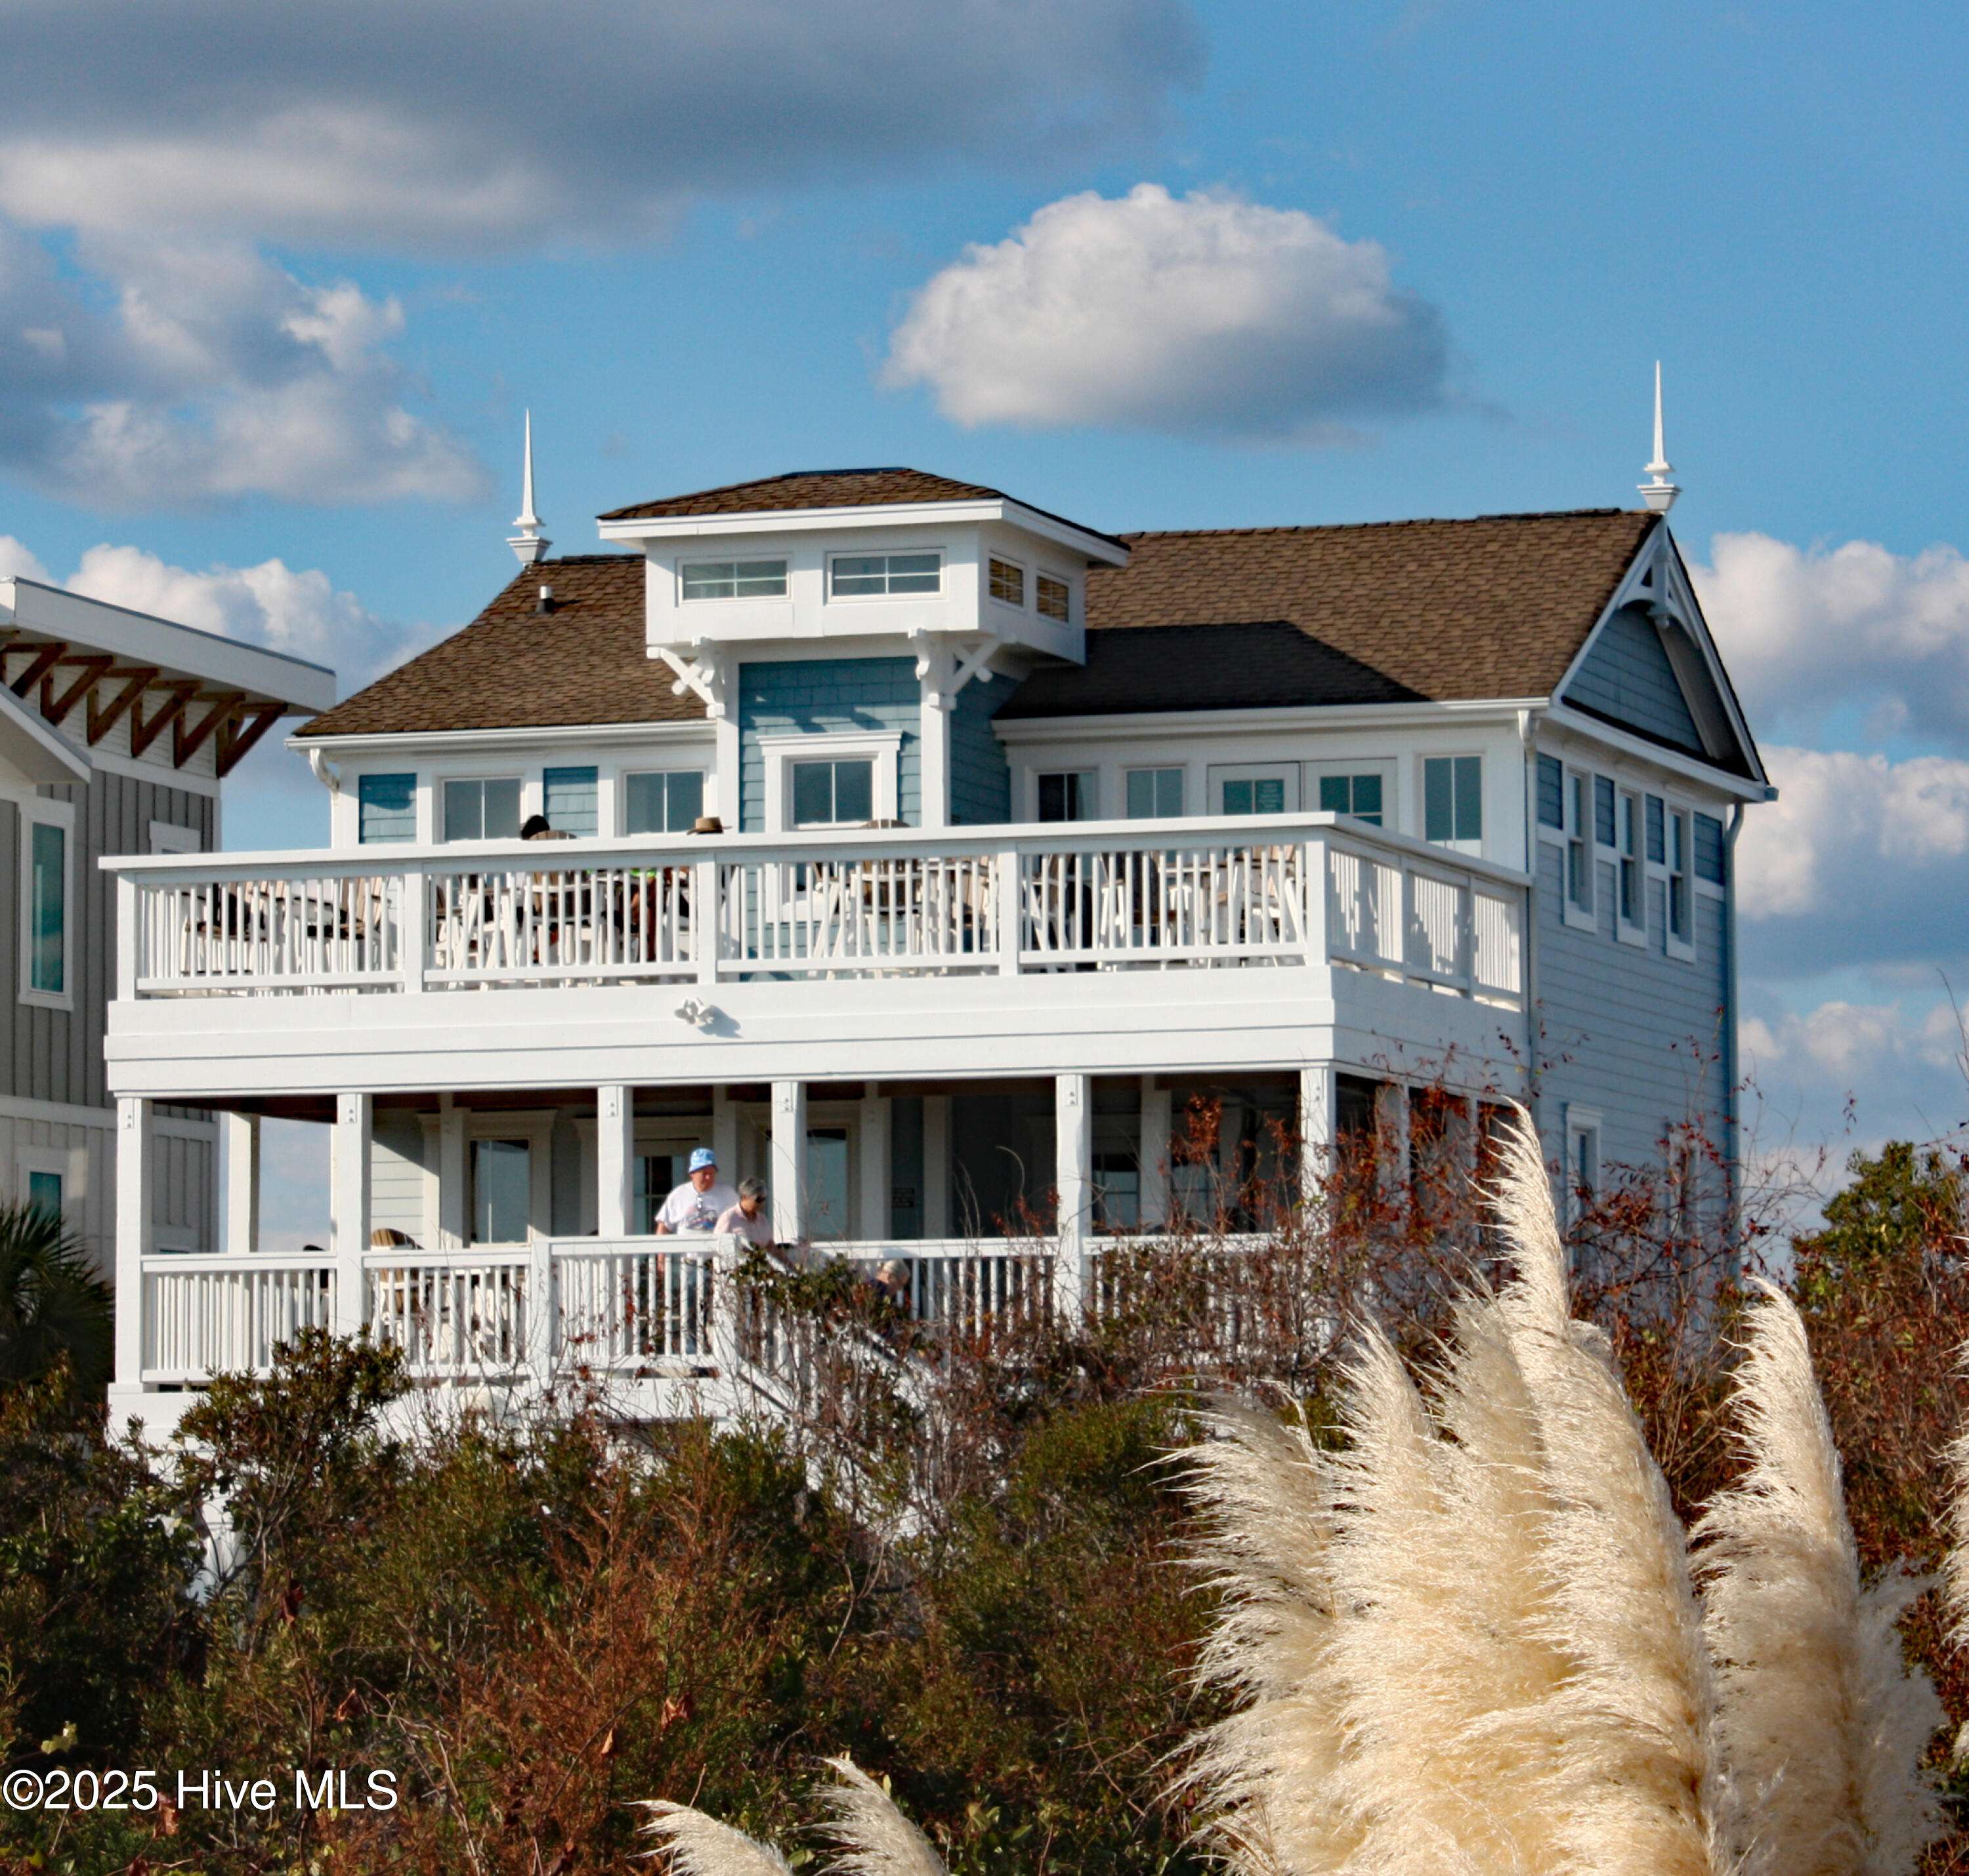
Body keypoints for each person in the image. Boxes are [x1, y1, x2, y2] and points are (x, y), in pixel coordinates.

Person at [653, 1147, 738, 1234]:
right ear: (692, 1174)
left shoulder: (728, 1194)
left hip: (717, 1247)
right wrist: (662, 1248)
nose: (708, 1177)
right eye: (704, 1173)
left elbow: (741, 1220)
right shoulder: (678, 1194)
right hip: (685, 1247)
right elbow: (663, 1226)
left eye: (711, 1173)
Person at [714, 1176, 773, 1247]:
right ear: (745, 1197)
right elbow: (717, 1244)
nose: (761, 1203)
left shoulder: (762, 1219)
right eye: (759, 1200)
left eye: (764, 1199)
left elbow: (770, 1245)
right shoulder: (729, 1217)